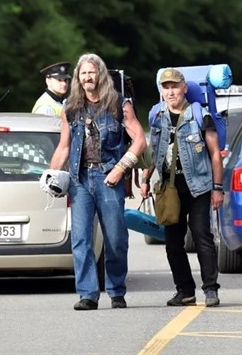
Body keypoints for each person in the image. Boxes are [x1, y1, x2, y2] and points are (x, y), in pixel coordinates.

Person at [46, 53, 146, 310]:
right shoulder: (71, 107)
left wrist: (121, 168)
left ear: (100, 74)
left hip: (109, 178)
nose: (87, 77)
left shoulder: (119, 104)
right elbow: (64, 146)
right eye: (83, 74)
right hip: (79, 179)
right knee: (80, 239)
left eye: (91, 72)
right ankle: (88, 294)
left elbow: (139, 141)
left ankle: (116, 291)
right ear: (78, 78)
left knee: (115, 239)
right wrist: (50, 175)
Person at [140, 68, 224, 307]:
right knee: (173, 243)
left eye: (174, 86)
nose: (170, 92)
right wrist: (146, 180)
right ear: (161, 91)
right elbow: (153, 151)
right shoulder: (156, 116)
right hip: (169, 188)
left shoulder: (199, 114)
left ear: (184, 88)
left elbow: (215, 154)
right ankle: (185, 291)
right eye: (165, 87)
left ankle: (210, 289)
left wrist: (218, 188)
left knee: (202, 237)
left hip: (198, 186)